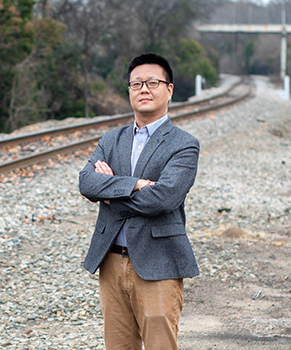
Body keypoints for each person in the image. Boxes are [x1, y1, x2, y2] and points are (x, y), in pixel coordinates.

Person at [78, 53, 200, 350]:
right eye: (136, 84)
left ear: (169, 89)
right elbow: (86, 182)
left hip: (158, 262)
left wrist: (109, 194)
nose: (144, 89)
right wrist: (135, 185)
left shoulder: (184, 143)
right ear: (129, 90)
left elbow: (163, 198)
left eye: (152, 82)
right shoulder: (111, 139)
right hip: (111, 261)